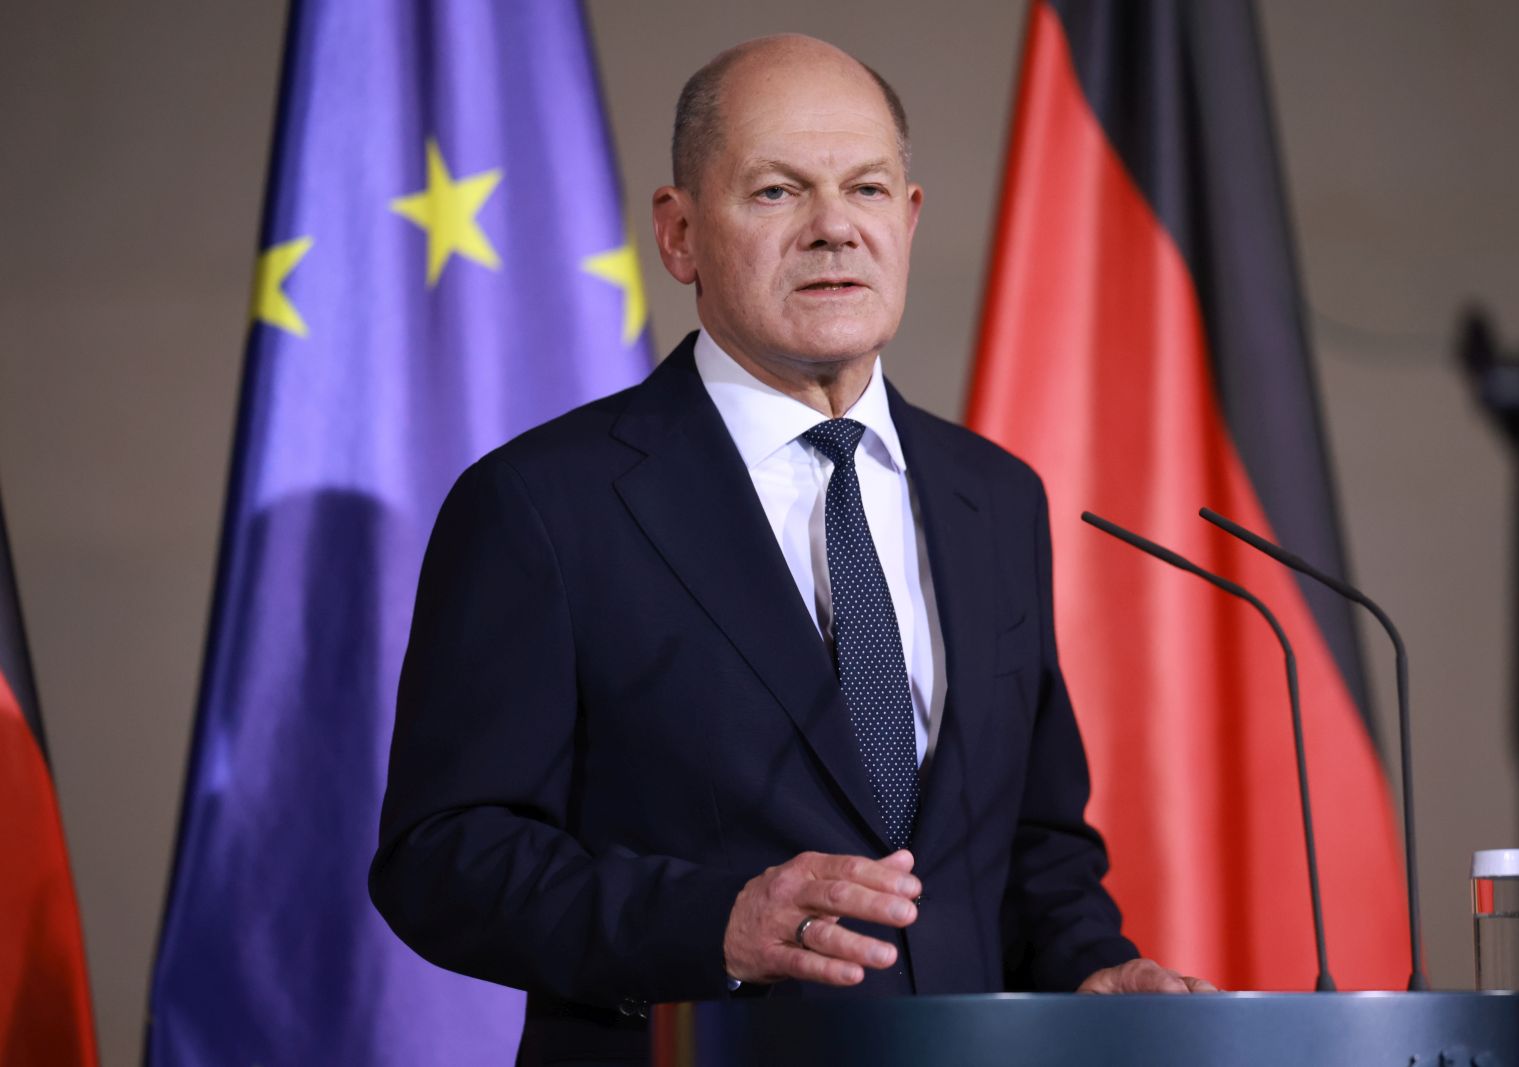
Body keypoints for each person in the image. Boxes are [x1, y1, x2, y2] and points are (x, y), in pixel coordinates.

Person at [370, 33, 1212, 1067]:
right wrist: (710, 921)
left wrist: (1091, 962)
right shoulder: (546, 503)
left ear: (906, 219)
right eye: (775, 192)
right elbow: (441, 855)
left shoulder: (993, 496)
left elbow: (1030, 836)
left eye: (865, 187)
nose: (832, 230)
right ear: (678, 236)